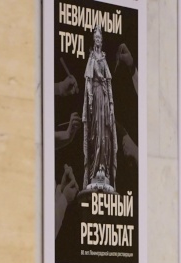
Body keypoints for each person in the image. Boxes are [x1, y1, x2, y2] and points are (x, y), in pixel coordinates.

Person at [82, 25, 118, 192]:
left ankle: (103, 167)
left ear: (101, 41)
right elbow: (88, 80)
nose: (97, 40)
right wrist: (90, 98)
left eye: (99, 38)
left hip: (103, 98)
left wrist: (111, 104)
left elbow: (109, 83)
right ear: (93, 40)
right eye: (95, 37)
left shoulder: (103, 59)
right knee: (95, 133)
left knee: (105, 134)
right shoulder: (92, 59)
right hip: (95, 98)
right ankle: (94, 170)